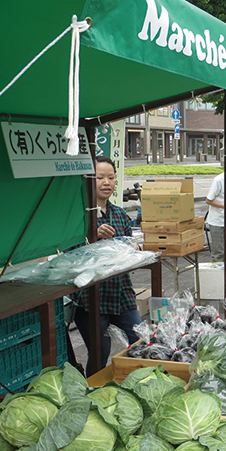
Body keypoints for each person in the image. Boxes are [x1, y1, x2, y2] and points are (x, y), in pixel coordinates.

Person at [74, 156, 142, 376]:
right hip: (91, 299)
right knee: (99, 352)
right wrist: (90, 237)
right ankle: (91, 392)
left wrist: (136, 251)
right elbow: (68, 257)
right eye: (100, 177)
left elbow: (130, 247)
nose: (107, 182)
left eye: (111, 177)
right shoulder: (79, 217)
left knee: (140, 342)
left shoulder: (120, 214)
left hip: (122, 293)